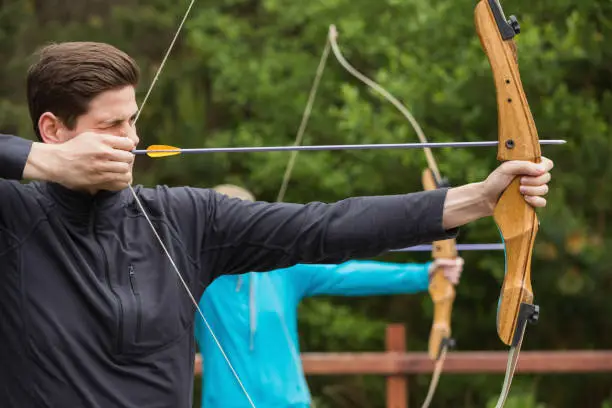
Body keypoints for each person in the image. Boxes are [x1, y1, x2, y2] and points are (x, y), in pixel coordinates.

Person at [0, 41, 553, 408]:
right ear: (52, 129)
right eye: (112, 125)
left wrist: (476, 200)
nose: (133, 139)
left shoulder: (185, 218)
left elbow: (325, 227)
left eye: (134, 120)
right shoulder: (14, 218)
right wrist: (42, 165)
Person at [195, 184, 465, 408]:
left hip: (290, 403)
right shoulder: (196, 279)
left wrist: (425, 275)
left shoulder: (281, 270)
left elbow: (346, 274)